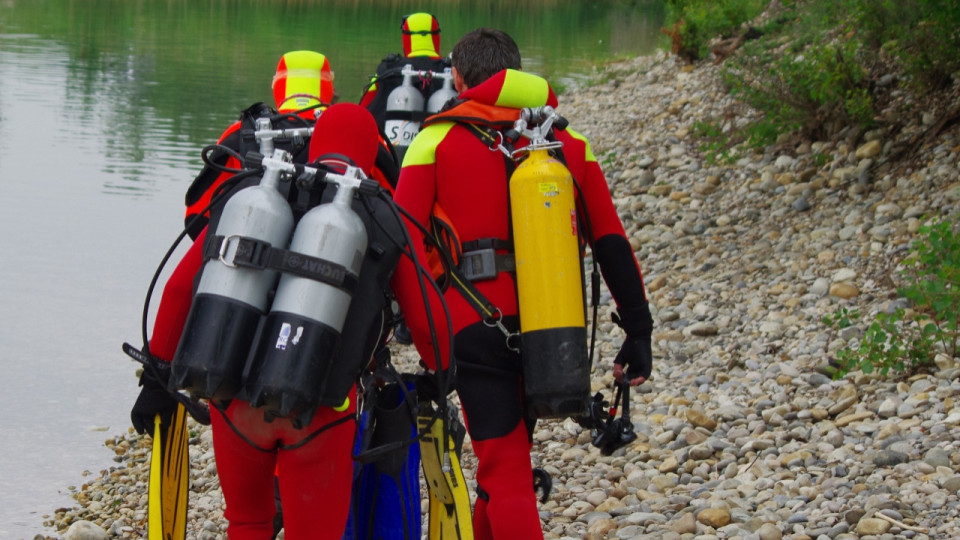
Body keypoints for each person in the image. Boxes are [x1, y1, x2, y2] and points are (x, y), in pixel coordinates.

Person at [389, 28, 655, 539]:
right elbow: (611, 243)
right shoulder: (565, 143)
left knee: (505, 471)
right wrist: (638, 332)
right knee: (504, 464)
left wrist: (430, 345)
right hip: (554, 325)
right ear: (516, 72)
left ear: (458, 79)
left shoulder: (433, 141)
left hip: (475, 327)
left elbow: (402, 250)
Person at [131, 89, 406, 538]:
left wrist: (156, 380)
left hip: (234, 401)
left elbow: (180, 288)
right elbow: (427, 322)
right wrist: (442, 376)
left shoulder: (255, 195)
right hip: (320, 413)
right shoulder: (380, 216)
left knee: (247, 521)